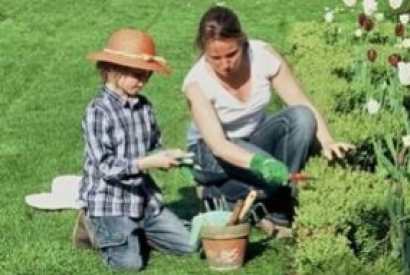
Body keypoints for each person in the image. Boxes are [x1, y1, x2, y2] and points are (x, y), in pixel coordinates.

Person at [182, 6, 355, 237]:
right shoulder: (196, 83)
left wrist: (327, 141)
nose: (225, 64)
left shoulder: (263, 56)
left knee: (302, 117)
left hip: (253, 139)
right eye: (216, 58)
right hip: (210, 152)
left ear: (242, 42)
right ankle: (259, 202)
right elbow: (219, 146)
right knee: (266, 169)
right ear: (204, 51)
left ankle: (249, 198)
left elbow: (300, 101)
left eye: (232, 54)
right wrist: (262, 163)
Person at [74, 28, 194, 271]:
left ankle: (135, 232)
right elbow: (106, 167)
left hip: (142, 198)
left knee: (189, 246)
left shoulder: (144, 107)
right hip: (108, 201)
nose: (142, 81)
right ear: (110, 70)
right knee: (129, 265)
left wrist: (168, 155)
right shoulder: (98, 112)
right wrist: (146, 164)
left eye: (146, 75)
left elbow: (152, 147)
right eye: (135, 74)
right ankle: (93, 224)